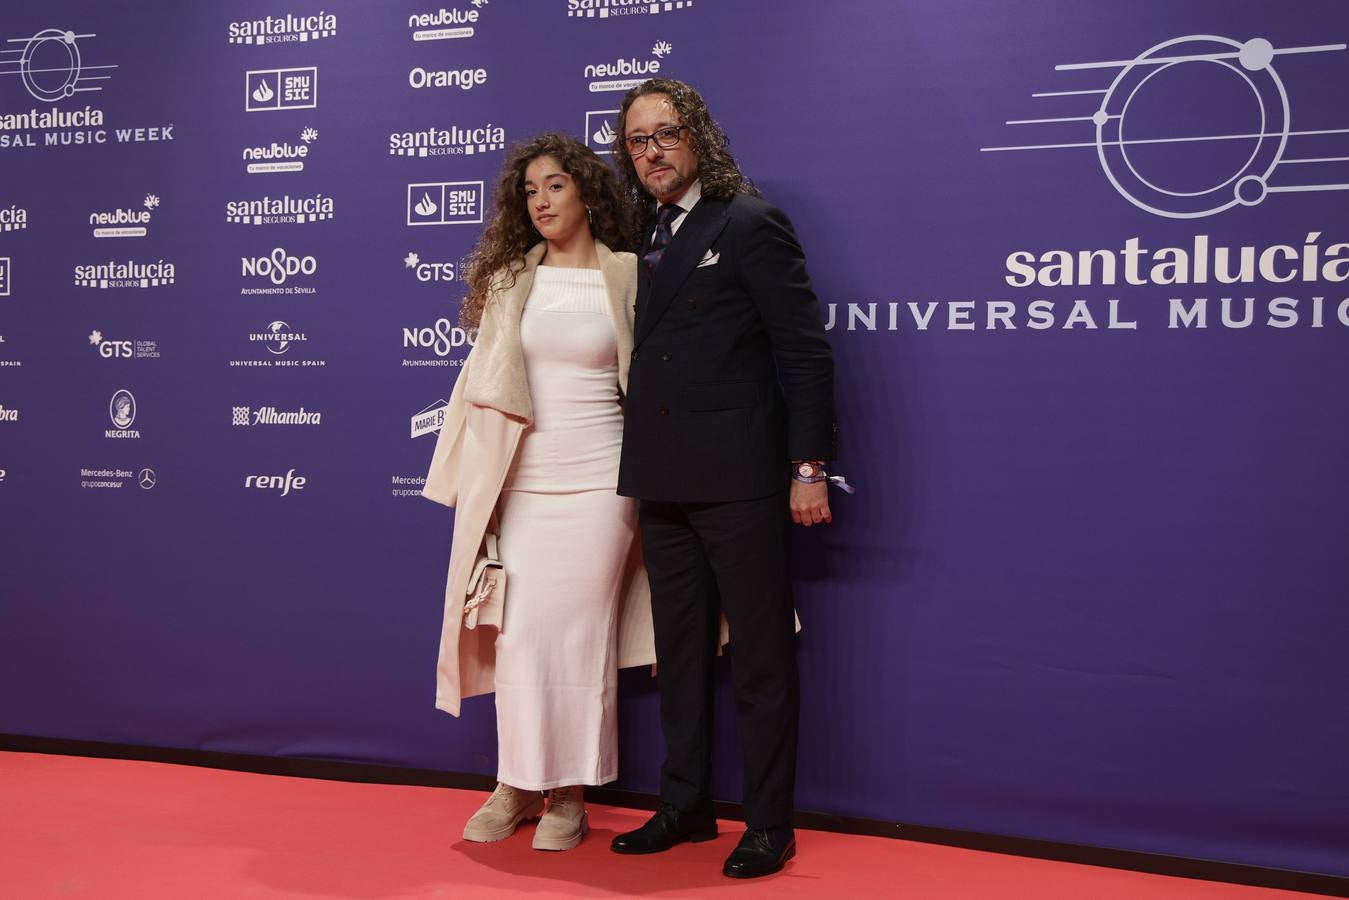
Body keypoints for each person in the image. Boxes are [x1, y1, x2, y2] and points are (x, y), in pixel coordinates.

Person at [607, 79, 839, 879]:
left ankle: (770, 824)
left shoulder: (747, 222)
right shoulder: (634, 236)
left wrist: (807, 468)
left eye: (666, 133)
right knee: (677, 653)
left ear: (697, 138)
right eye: (637, 140)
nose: (652, 151)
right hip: (661, 477)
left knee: (762, 658)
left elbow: (803, 353)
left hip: (741, 478)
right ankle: (686, 805)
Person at [421, 133, 654, 852]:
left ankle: (569, 795)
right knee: (518, 637)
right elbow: (480, 388)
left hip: (601, 482)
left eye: (555, 185)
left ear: (586, 192)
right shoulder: (511, 279)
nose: (541, 201)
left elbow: (657, 378)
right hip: (521, 481)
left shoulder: (628, 274)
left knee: (578, 639)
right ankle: (514, 784)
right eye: (529, 191)